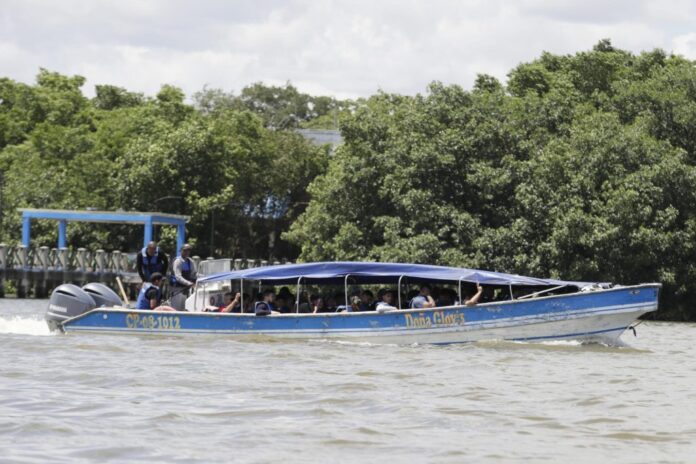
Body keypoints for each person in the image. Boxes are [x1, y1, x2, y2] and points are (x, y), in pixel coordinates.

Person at [169, 243, 197, 311]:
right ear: (181, 251)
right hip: (177, 290)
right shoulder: (178, 261)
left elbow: (194, 274)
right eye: (185, 250)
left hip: (186, 290)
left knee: (184, 309)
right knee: (176, 310)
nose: (187, 252)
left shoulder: (190, 261)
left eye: (188, 250)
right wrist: (189, 283)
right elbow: (178, 277)